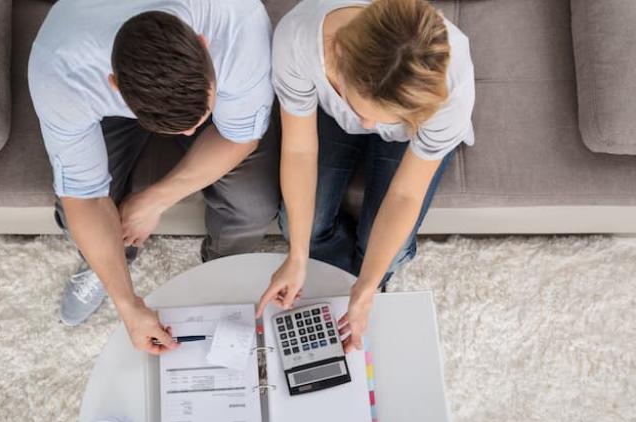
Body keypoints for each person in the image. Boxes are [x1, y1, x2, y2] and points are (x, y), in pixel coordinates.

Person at [28, 0, 278, 354]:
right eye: (179, 128)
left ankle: (218, 274)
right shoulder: (59, 67)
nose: (190, 133)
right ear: (114, 84)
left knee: (253, 205)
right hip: (105, 99)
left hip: (209, 79)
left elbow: (238, 137)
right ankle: (110, 266)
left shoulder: (238, 23)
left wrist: (155, 200)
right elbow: (83, 198)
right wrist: (127, 305)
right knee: (76, 218)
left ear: (203, 43)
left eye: (199, 117)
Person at [255, 0, 475, 352]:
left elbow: (406, 194)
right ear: (337, 53)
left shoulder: (450, 88)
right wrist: (297, 256)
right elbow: (298, 150)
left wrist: (367, 286)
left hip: (411, 131)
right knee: (301, 229)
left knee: (391, 250)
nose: (368, 127)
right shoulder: (297, 38)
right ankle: (334, 263)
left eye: (380, 117)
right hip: (330, 114)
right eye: (364, 111)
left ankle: (361, 276)